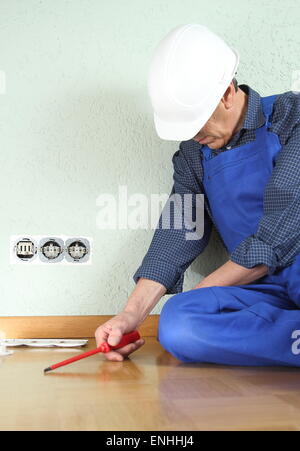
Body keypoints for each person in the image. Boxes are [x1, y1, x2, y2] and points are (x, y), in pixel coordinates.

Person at [95, 24, 300, 366]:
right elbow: (178, 232)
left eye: (196, 122)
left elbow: (280, 228)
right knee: (178, 324)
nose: (193, 134)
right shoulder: (194, 154)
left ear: (227, 93)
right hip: (258, 288)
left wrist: (205, 289)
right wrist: (131, 316)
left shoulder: (291, 117)